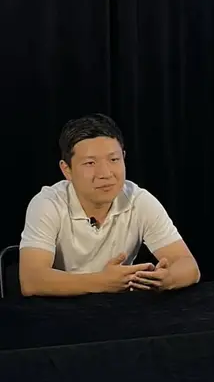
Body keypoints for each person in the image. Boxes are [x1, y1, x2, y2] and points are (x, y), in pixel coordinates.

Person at [19, 113, 200, 297]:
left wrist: (167, 279)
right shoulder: (48, 204)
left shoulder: (139, 200)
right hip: (59, 309)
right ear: (67, 170)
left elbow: (189, 266)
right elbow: (31, 280)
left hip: (118, 309)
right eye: (90, 163)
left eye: (114, 160)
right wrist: (102, 282)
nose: (105, 174)